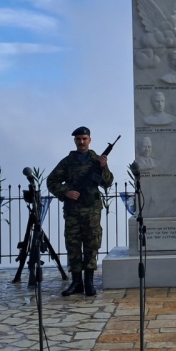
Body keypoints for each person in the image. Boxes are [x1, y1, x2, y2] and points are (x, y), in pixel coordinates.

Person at [47, 126, 113, 297]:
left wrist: (104, 167)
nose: (81, 142)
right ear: (75, 141)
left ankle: (89, 282)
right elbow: (51, 181)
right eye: (78, 139)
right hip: (73, 211)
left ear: (89, 140)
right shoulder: (67, 162)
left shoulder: (97, 161)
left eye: (84, 139)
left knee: (91, 245)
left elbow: (107, 183)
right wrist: (65, 193)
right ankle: (76, 282)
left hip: (92, 211)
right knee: (73, 246)